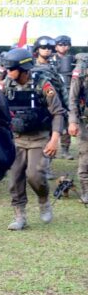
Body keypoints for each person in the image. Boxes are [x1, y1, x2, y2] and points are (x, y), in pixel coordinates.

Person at [1, 47, 65, 230]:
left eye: (10, 68)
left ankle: (43, 199)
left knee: (35, 175)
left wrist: (54, 139)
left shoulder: (43, 84)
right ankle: (20, 215)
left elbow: (58, 113)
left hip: (39, 138)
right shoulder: (8, 85)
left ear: (23, 69)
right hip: (16, 139)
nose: (7, 72)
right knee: (14, 178)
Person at [68, 52, 88, 203]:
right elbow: (73, 98)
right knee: (85, 156)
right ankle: (86, 191)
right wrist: (73, 121)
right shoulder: (82, 69)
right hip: (85, 120)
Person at [53, 35, 75, 159]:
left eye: (66, 44)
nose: (63, 47)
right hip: (54, 93)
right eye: (60, 44)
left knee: (67, 122)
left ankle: (65, 149)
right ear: (56, 46)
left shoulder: (73, 59)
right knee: (53, 121)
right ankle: (52, 147)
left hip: (69, 92)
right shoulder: (50, 59)